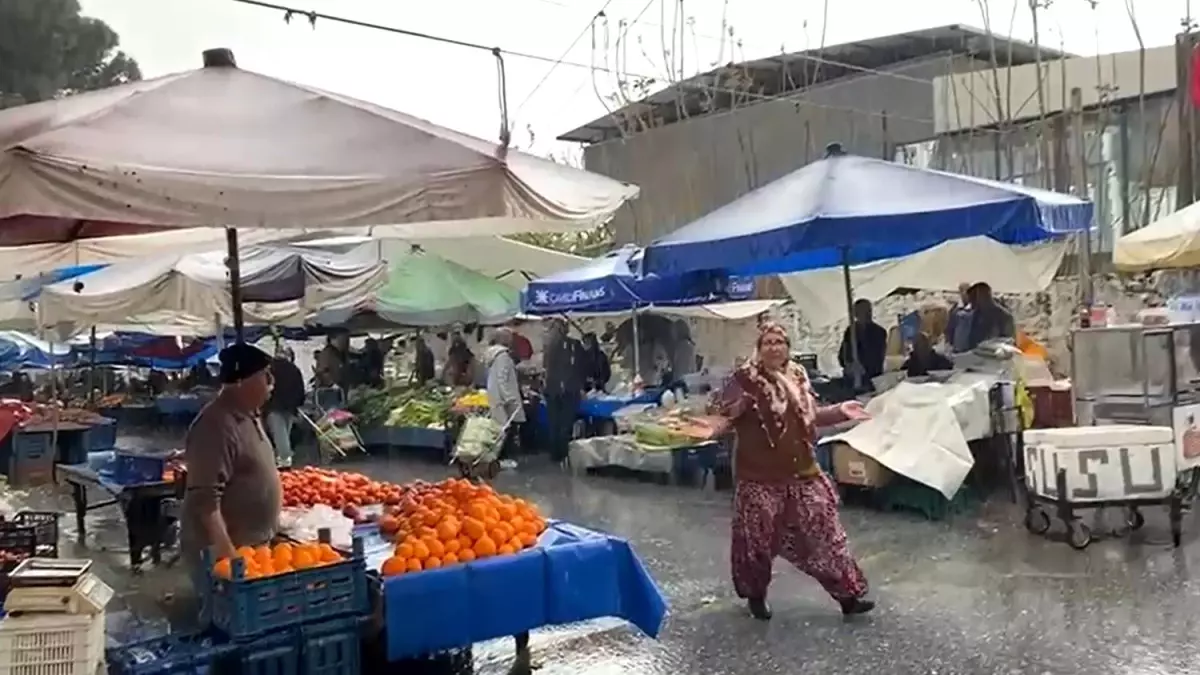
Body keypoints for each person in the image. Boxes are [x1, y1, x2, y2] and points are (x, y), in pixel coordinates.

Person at [713, 322, 873, 620]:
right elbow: (719, 418)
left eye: (780, 342)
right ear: (758, 349)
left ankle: (848, 596)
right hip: (759, 478)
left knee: (827, 537)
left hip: (802, 473)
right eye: (768, 342)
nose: (774, 347)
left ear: (788, 347)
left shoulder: (797, 376)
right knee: (757, 546)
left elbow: (809, 418)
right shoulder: (743, 380)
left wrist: (840, 411)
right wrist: (729, 414)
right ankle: (756, 596)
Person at [180, 343, 282, 596]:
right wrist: (228, 555)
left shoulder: (249, 415)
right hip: (227, 554)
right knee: (226, 620)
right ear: (240, 382)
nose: (271, 382)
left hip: (253, 548)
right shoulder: (215, 425)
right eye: (264, 376)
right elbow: (204, 500)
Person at [542, 318, 583, 464]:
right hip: (568, 390)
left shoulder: (548, 346)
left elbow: (545, 368)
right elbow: (581, 367)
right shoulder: (574, 345)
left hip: (553, 390)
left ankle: (555, 455)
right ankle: (563, 455)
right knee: (565, 424)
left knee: (555, 424)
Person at [485, 328, 525, 460]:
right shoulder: (502, 356)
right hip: (504, 401)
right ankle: (504, 458)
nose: (512, 340)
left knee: (501, 429)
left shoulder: (494, 355)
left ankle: (500, 457)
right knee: (505, 430)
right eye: (510, 337)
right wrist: (509, 398)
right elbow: (502, 378)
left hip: (495, 396)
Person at [264, 348, 305, 468]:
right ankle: (284, 457)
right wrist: (298, 403)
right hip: (290, 406)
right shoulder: (294, 369)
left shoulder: (270, 369)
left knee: (279, 432)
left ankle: (284, 458)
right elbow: (300, 389)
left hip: (274, 405)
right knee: (285, 431)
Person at [838, 299, 888, 385]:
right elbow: (844, 353)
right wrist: (849, 364)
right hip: (853, 377)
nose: (868, 314)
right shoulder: (851, 331)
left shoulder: (879, 332)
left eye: (869, 311)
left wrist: (863, 368)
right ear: (856, 314)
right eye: (863, 311)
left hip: (872, 378)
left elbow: (878, 356)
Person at [966, 282, 1015, 349]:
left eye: (973, 299)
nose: (971, 304)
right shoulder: (975, 315)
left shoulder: (1004, 317)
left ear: (981, 296)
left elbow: (1008, 342)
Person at [944, 283, 973, 353]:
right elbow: (949, 326)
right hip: (956, 345)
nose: (964, 294)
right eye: (962, 291)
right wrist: (948, 341)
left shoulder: (976, 308)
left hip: (970, 346)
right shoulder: (954, 309)